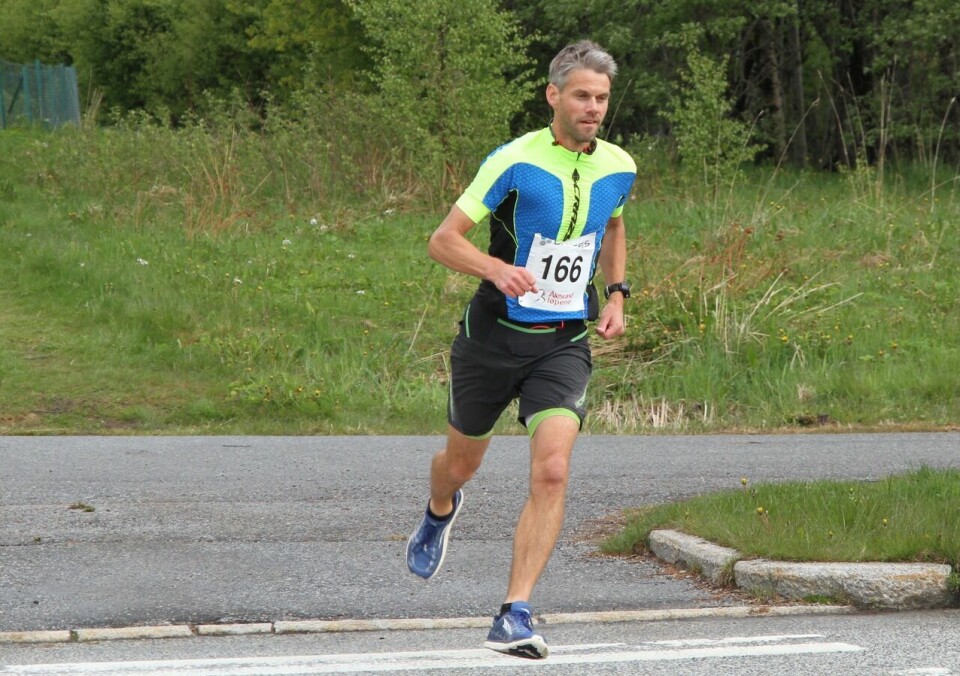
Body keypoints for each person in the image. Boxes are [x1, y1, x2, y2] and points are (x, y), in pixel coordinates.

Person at [405, 40, 636, 660]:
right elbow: (442, 240)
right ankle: (438, 509)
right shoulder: (513, 160)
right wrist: (495, 269)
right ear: (554, 95)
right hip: (491, 340)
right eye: (583, 96)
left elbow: (612, 225)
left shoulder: (619, 165)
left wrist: (616, 294)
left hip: (563, 342)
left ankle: (515, 612)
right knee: (460, 466)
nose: (594, 108)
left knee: (553, 468)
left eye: (602, 98)